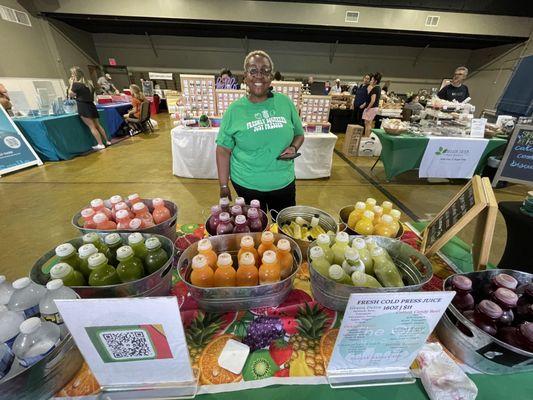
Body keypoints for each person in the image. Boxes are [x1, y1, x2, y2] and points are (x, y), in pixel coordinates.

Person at [215, 50, 305, 212]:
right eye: (253, 70)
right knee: (256, 231)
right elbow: (223, 150)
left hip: (283, 183)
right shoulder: (234, 111)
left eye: (265, 71)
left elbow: (299, 134)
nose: (259, 75)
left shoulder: (285, 103)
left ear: (271, 77)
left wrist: (293, 147)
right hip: (247, 185)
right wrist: (223, 184)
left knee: (284, 230)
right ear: (245, 76)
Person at [68, 66, 109, 150]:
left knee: (92, 126)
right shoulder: (88, 84)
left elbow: (71, 94)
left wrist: (71, 84)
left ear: (75, 75)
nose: (71, 76)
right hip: (91, 105)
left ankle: (100, 144)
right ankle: (107, 141)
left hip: (83, 106)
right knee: (98, 125)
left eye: (72, 75)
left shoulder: (76, 84)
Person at [362, 72, 382, 137]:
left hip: (371, 108)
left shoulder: (375, 89)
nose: (371, 81)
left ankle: (367, 137)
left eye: (372, 80)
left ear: (375, 81)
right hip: (373, 108)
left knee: (367, 124)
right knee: (368, 123)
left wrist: (367, 108)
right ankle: (367, 137)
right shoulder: (378, 88)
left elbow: (372, 100)